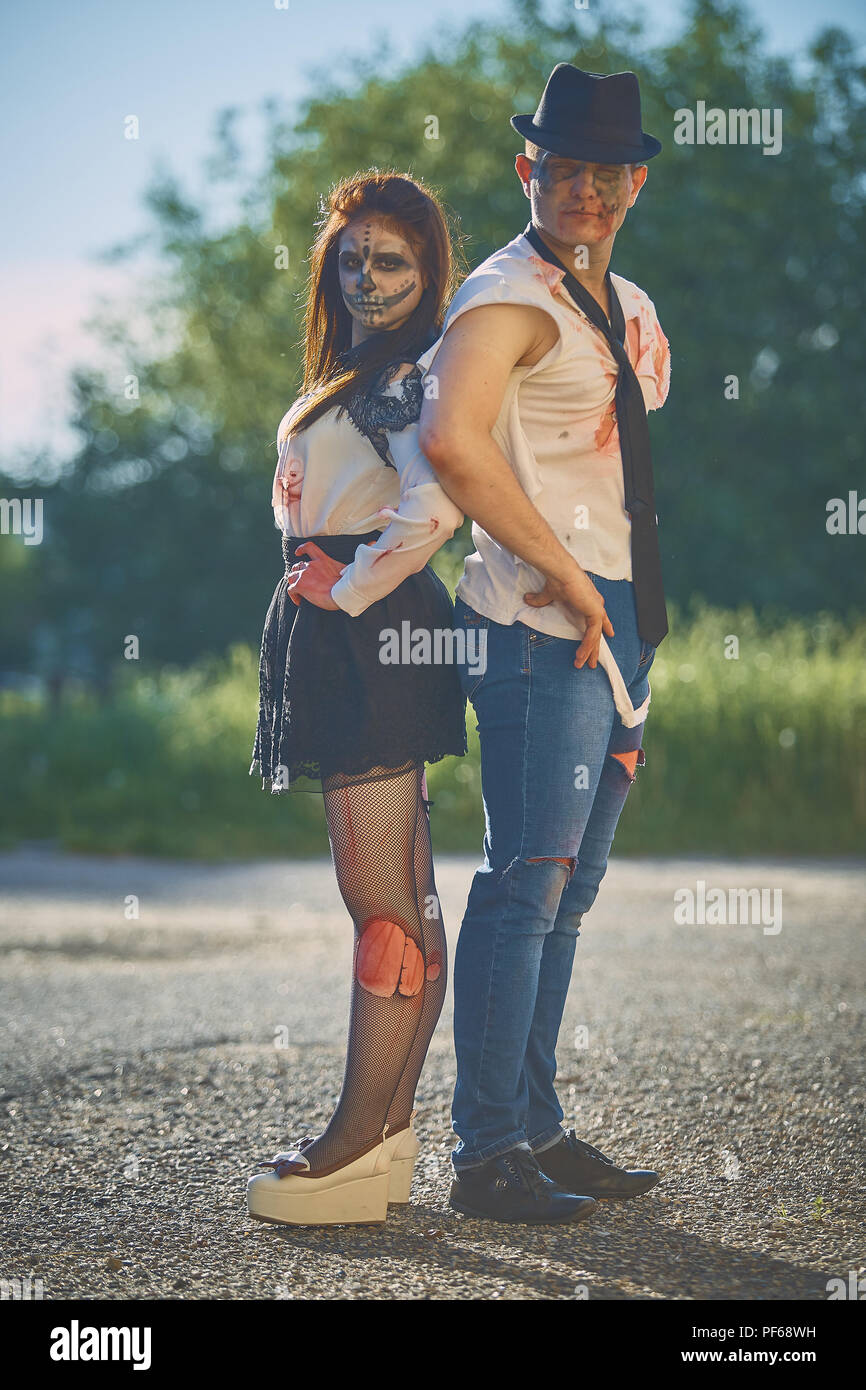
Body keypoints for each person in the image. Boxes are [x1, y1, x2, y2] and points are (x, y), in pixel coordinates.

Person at [418, 64, 671, 1224]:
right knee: (525, 883)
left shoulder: (620, 307)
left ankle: (538, 1129)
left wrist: (613, 600)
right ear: (529, 172)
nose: (585, 188)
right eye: (562, 168)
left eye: (605, 172)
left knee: (567, 894)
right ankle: (485, 1157)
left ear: (632, 183)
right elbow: (453, 445)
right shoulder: (505, 296)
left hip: (616, 620)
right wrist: (565, 578)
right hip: (540, 622)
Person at [246, 171, 468, 1226]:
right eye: (350, 259)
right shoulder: (355, 373)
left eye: (390, 261)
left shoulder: (407, 377)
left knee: (381, 909)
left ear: (425, 273)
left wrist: (352, 580)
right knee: (405, 902)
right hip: (351, 635)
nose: (366, 278)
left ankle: (350, 1143)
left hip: (369, 636)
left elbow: (436, 503)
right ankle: (381, 1137)